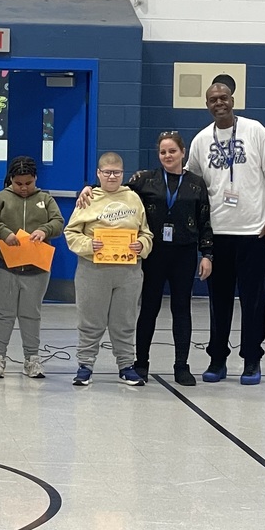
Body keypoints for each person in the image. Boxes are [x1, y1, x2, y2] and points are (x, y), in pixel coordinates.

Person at [185, 78, 265, 386]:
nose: (219, 103)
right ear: (207, 104)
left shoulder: (255, 131)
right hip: (218, 234)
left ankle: (252, 359)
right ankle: (217, 358)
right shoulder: (201, 139)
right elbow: (191, 186)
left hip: (254, 232)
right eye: (213, 99)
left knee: (253, 301)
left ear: (232, 98)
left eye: (223, 97)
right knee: (219, 300)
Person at [125, 132, 212, 386]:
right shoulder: (144, 180)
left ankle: (181, 366)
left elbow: (205, 220)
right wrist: (90, 188)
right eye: (163, 152)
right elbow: (116, 194)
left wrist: (207, 254)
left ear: (183, 152)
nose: (167, 156)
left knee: (181, 309)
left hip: (184, 253)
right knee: (149, 308)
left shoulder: (196, 183)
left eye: (172, 151)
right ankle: (141, 363)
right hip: (154, 253)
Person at [64, 152, 153, 387]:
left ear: (123, 174)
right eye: (107, 172)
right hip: (93, 269)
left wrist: (141, 244)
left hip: (128, 272)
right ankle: (85, 366)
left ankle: (126, 366)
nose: (112, 177)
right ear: (98, 174)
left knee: (124, 321)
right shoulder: (88, 198)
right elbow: (71, 233)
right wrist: (88, 245)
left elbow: (147, 233)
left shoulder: (133, 199)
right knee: (90, 320)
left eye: (117, 173)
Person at [0, 156, 64, 380]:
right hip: (3, 266)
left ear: (35, 179)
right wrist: (4, 232)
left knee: (31, 314)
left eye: (28, 183)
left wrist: (45, 230)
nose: (24, 188)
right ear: (11, 180)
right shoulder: (0, 198)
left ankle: (32, 359)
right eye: (19, 183)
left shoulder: (45, 199)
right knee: (2, 313)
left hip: (37, 267)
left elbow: (59, 222)